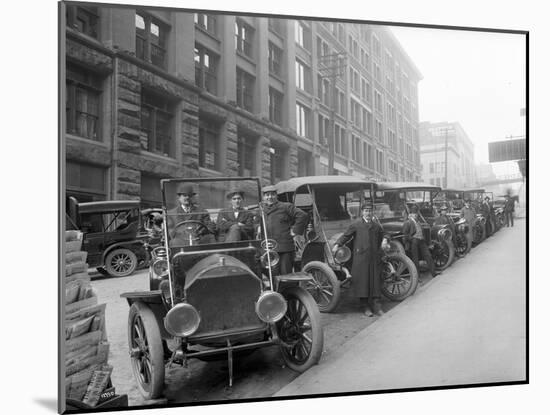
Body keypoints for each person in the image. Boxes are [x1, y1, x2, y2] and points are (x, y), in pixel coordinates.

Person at [332, 204, 390, 317]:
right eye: (366, 211)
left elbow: (386, 233)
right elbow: (346, 236)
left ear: (372, 212)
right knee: (363, 283)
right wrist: (337, 244)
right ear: (362, 212)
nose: (368, 213)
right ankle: (365, 307)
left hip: (374, 258)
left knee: (375, 282)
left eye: (370, 211)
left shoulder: (376, 226)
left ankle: (377, 307)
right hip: (361, 258)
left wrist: (385, 240)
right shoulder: (356, 224)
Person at [259, 185, 308, 275]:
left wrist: (295, 231)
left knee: (285, 275)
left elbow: (302, 215)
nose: (270, 197)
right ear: (263, 197)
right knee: (271, 274)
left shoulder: (286, 207)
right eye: (267, 195)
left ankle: (286, 289)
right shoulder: (261, 209)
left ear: (276, 195)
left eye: (272, 194)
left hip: (284, 247)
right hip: (268, 248)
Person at [403, 205, 438, 278]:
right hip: (414, 241)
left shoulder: (417, 221)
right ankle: (417, 277)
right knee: (415, 259)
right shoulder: (408, 222)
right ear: (411, 214)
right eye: (415, 213)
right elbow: (405, 235)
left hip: (421, 241)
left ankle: (434, 273)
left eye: (416, 213)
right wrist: (412, 239)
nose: (416, 215)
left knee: (428, 256)